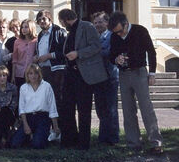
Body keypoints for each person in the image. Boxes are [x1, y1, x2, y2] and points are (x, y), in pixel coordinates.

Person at [108, 11, 163, 154]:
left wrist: (152, 73)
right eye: (116, 33)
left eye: (120, 31)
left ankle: (155, 142)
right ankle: (133, 143)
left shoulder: (140, 31)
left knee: (146, 108)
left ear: (126, 24)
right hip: (124, 75)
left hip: (140, 73)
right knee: (128, 110)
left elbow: (151, 52)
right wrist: (116, 59)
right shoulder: (114, 36)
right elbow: (111, 55)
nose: (118, 34)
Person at [58, 8, 108, 150]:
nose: (62, 25)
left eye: (61, 22)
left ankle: (83, 143)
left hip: (84, 76)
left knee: (83, 109)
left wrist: (78, 53)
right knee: (66, 107)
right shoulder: (70, 32)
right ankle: (69, 140)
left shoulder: (87, 26)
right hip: (70, 74)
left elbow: (96, 46)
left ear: (65, 19)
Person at [11, 64, 59, 149]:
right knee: (15, 143)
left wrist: (55, 127)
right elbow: (21, 108)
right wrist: (25, 124)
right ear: (27, 75)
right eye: (30, 73)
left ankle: (41, 136)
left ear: (39, 74)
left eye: (35, 73)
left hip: (43, 117)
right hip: (28, 118)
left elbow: (52, 107)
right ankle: (30, 136)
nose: (33, 76)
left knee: (37, 144)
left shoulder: (46, 86)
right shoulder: (23, 88)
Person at [92, 11, 120, 145]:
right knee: (100, 108)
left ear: (107, 23)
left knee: (111, 109)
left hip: (110, 77)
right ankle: (103, 138)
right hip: (97, 77)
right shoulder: (93, 37)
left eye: (100, 22)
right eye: (95, 22)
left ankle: (113, 138)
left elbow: (111, 52)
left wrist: (94, 52)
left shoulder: (112, 36)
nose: (98, 24)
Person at [33, 10, 66, 118]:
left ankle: (61, 129)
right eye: (39, 20)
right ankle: (52, 127)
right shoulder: (40, 35)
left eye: (43, 19)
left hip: (57, 70)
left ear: (49, 19)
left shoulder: (59, 31)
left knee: (58, 100)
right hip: (43, 70)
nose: (41, 22)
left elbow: (65, 52)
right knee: (46, 100)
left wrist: (48, 56)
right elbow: (40, 51)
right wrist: (36, 57)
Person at [12, 19, 37, 89]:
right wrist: (13, 76)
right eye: (22, 27)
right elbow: (15, 59)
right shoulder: (17, 42)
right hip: (20, 73)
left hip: (33, 74)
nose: (23, 29)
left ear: (31, 27)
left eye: (26, 27)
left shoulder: (36, 41)